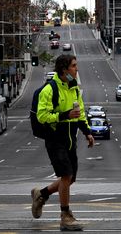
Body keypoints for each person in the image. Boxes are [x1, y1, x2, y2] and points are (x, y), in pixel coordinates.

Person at [31, 54, 94, 231]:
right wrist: (65, 115)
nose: (77, 69)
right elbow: (42, 116)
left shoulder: (73, 87)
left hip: (70, 138)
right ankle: (65, 216)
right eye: (74, 66)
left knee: (70, 178)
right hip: (55, 138)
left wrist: (87, 132)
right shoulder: (50, 89)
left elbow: (79, 112)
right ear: (64, 69)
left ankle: (41, 194)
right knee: (66, 175)